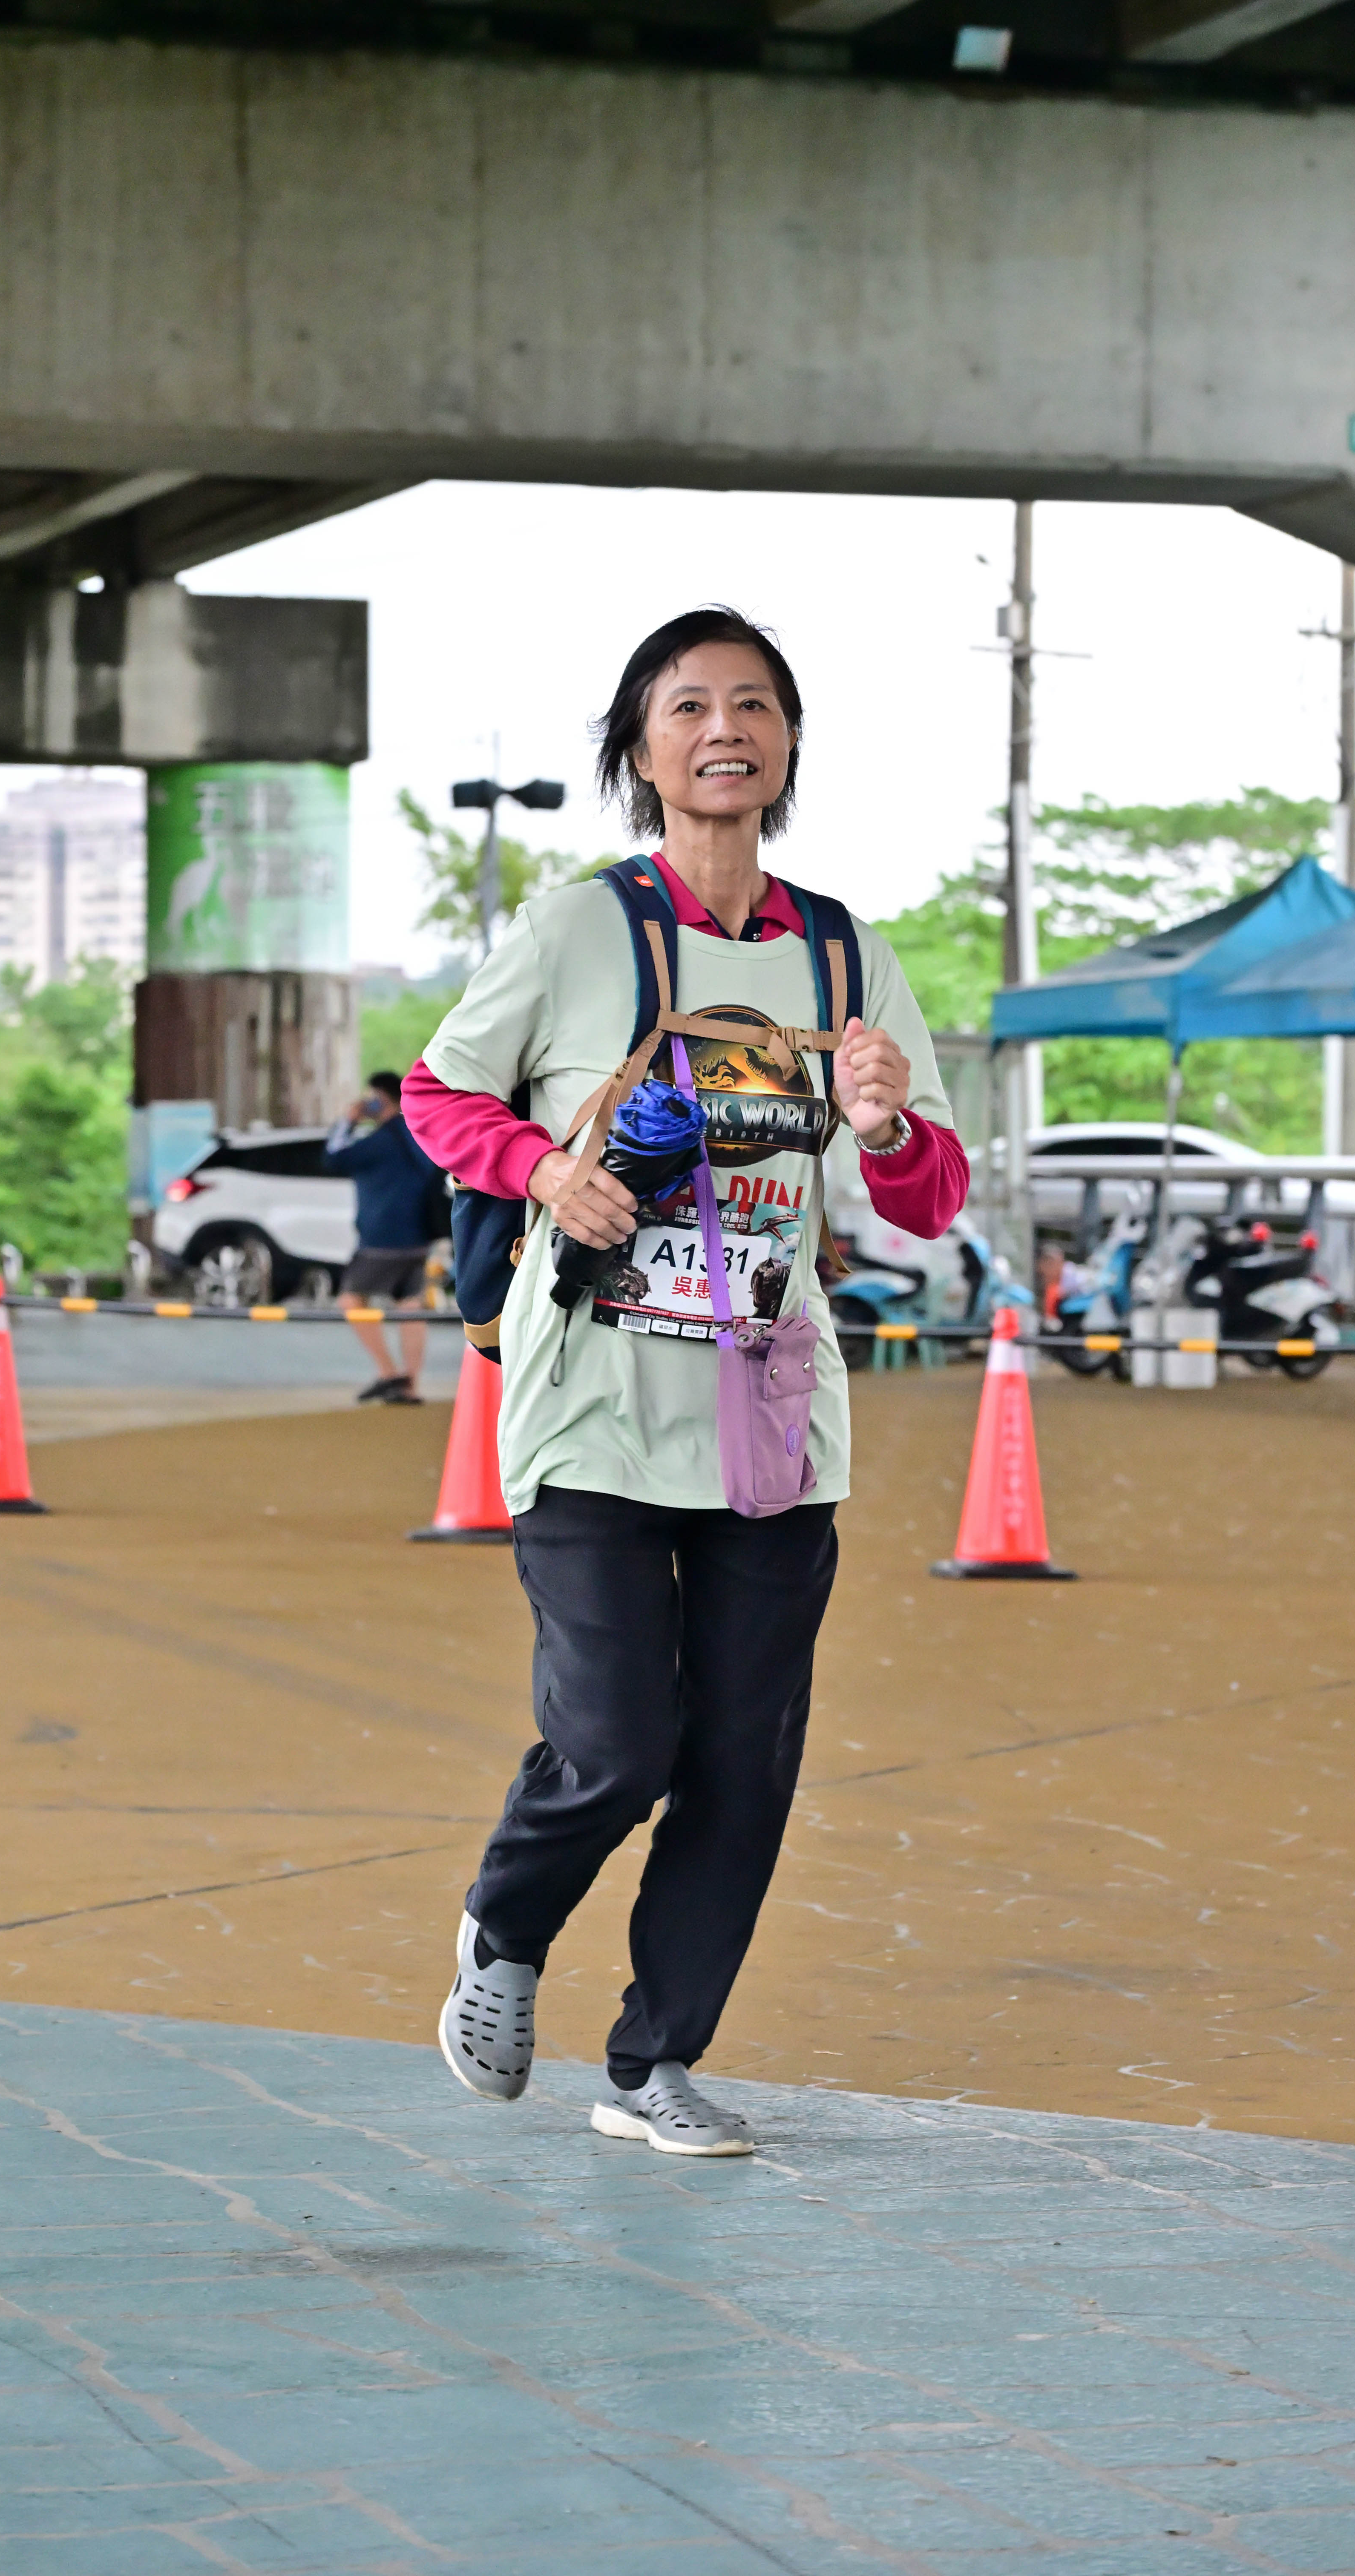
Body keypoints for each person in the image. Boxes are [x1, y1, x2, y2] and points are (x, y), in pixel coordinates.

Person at [404, 606, 970, 2156]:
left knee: (741, 1757)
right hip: (589, 1399)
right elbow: (438, 1093)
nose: (726, 730)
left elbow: (927, 1196)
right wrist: (545, 1171)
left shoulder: (842, 952)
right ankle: (506, 1925)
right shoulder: (574, 928)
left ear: (786, 744)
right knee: (617, 1737)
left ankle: (654, 2062)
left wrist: (886, 1120)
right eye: (689, 707)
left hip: (769, 1413)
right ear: (641, 751)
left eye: (754, 705)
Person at [324, 1070, 446, 1404]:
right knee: (410, 1306)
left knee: (351, 1300)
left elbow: (333, 1158)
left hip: (382, 1241)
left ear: (381, 1099)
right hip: (420, 1237)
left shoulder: (379, 1142)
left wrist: (349, 1121)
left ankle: (389, 1373)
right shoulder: (417, 1136)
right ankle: (410, 1386)